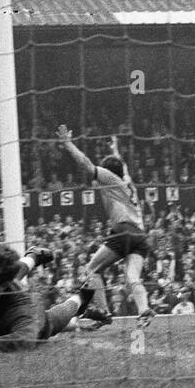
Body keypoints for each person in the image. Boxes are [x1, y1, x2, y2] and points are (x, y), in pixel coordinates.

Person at [57, 127, 154, 328]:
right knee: (132, 277)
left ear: (108, 171)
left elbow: (86, 165)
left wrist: (68, 144)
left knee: (92, 269)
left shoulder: (110, 178)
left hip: (123, 231)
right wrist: (115, 149)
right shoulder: (127, 182)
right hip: (140, 236)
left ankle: (103, 311)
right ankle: (144, 310)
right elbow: (124, 167)